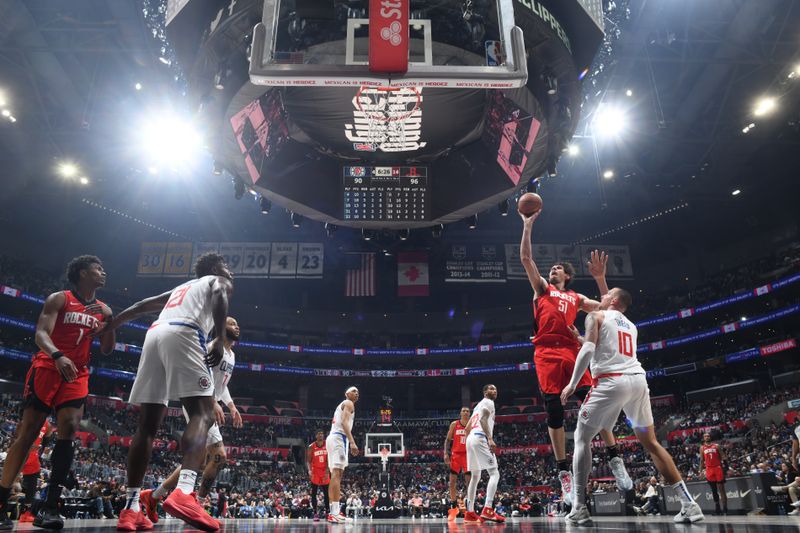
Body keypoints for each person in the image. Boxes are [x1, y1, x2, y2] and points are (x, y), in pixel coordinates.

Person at [103, 252, 233, 532]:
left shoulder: (181, 289)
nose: (229, 272)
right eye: (225, 267)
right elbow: (222, 291)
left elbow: (140, 306)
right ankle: (185, 492)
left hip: (154, 334)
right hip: (185, 332)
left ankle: (131, 507)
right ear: (213, 269)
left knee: (147, 426)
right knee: (203, 413)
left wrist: (111, 326)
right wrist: (220, 337)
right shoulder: (216, 281)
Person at [559, 287, 704, 525]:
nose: (601, 297)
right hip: (637, 382)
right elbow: (607, 347)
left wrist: (573, 383)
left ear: (613, 300)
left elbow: (589, 350)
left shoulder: (595, 315)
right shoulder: (631, 325)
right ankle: (689, 504)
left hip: (611, 383)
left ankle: (579, 507)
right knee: (652, 443)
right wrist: (580, 338)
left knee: (581, 438)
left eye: (605, 296)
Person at [519, 212, 631, 502]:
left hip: (572, 350)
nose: (553, 269)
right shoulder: (542, 289)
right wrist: (527, 225)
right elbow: (526, 260)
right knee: (555, 411)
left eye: (558, 268)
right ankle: (562, 473)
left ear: (567, 276)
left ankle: (615, 457)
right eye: (552, 267)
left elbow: (610, 311)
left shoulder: (577, 298)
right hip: (546, 352)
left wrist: (601, 278)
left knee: (597, 403)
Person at [0, 255, 114, 530]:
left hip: (77, 373)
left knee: (70, 428)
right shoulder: (59, 298)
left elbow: (108, 349)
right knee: (28, 433)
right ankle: (1, 502)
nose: (103, 272)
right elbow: (41, 333)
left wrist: (110, 327)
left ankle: (50, 507)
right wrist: (58, 355)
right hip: (49, 365)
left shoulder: (104, 310)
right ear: (81, 273)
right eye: (97, 268)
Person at [140, 316, 243, 523]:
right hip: (199, 401)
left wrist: (231, 406)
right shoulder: (213, 347)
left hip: (209, 401)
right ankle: (198, 503)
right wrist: (212, 401)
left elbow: (221, 384)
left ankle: (153, 496)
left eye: (237, 324)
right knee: (219, 456)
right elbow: (200, 374)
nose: (236, 326)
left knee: (197, 460)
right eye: (232, 323)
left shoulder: (231, 355)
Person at [463, 384, 504, 524]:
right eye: (491, 389)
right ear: (485, 392)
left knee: (475, 477)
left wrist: (471, 441)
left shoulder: (476, 407)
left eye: (496, 389)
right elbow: (483, 420)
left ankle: (469, 512)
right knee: (494, 473)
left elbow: (467, 428)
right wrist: (490, 439)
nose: (494, 391)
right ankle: (488, 509)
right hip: (480, 437)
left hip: (470, 439)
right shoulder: (489, 402)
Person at [326, 387, 360, 524]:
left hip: (335, 438)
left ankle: (334, 512)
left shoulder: (344, 405)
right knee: (336, 474)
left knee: (336, 475)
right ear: (346, 394)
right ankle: (334, 513)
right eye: (354, 391)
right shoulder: (348, 403)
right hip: (339, 438)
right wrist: (352, 442)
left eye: (358, 392)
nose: (357, 393)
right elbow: (345, 423)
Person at [18, 420, 54, 522]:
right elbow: (18, 431)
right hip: (21, 450)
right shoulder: (32, 415)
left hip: (33, 455)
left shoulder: (46, 423)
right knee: (10, 479)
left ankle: (26, 513)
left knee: (32, 486)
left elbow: (48, 434)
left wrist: (45, 447)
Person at [444, 407, 471, 521]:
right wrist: (446, 453)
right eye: (463, 411)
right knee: (452, 483)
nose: (465, 412)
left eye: (467, 411)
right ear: (460, 413)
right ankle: (454, 507)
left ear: (469, 414)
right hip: (455, 455)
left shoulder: (472, 425)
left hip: (468, 455)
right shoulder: (454, 424)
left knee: (469, 483)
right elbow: (448, 439)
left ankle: (470, 509)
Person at [700, 432, 728, 515]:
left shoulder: (716, 446)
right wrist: (701, 471)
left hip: (718, 468)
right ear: (703, 438)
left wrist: (727, 468)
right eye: (705, 436)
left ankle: (725, 509)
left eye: (708, 436)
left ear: (710, 437)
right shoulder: (702, 448)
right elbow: (702, 460)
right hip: (709, 469)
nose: (707, 437)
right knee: (714, 490)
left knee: (721, 489)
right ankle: (717, 509)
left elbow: (723, 456)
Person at [306, 430, 330, 521]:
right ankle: (315, 513)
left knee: (326, 493)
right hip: (315, 471)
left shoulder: (327, 445)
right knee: (314, 493)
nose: (321, 435)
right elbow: (308, 461)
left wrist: (327, 470)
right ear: (316, 436)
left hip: (324, 471)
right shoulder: (311, 447)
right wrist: (309, 470)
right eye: (319, 434)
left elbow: (329, 459)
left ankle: (328, 512)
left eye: (322, 433)